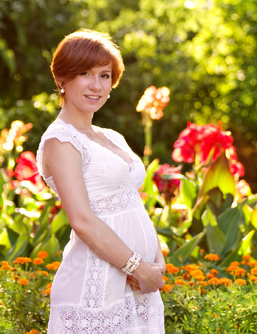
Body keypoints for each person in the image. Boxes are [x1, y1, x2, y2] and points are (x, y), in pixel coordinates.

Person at [36, 29, 166, 333]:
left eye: (105, 75)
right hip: (95, 287)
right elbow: (82, 219)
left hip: (139, 285)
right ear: (62, 80)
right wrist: (138, 267)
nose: (96, 85)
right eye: (85, 73)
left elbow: (133, 204)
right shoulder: (61, 140)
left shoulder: (111, 136)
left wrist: (156, 264)